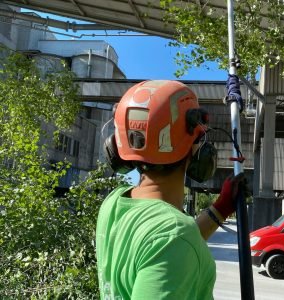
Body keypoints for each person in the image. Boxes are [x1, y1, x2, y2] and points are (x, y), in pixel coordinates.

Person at [96, 80, 246, 299]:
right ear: (197, 148)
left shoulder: (114, 202)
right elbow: (170, 244)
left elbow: (167, 244)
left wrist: (221, 208)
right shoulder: (173, 238)